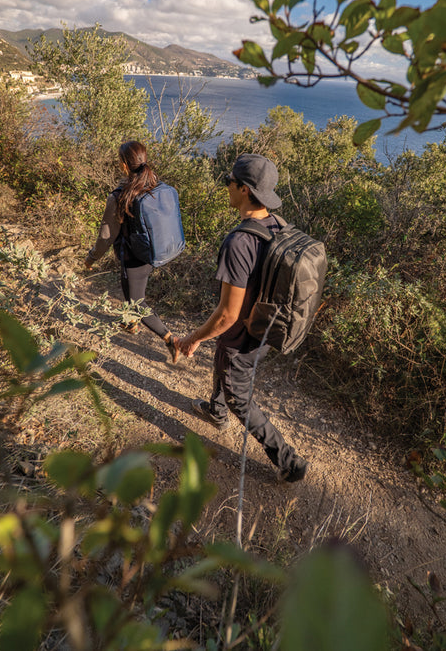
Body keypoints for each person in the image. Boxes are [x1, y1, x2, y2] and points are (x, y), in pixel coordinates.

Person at [176, 153, 308, 483]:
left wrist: (192, 338)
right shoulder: (279, 227)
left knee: (241, 398)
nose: (227, 188)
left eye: (230, 183)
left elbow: (226, 315)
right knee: (224, 357)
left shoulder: (239, 242)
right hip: (266, 331)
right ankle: (215, 410)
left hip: (242, 336)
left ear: (245, 190)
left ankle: (289, 462)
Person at [85, 140, 179, 363]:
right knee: (134, 288)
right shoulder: (155, 184)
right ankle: (131, 323)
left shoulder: (119, 196)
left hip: (133, 258)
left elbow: (106, 236)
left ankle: (170, 339)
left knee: (137, 299)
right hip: (153, 252)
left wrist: (91, 258)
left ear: (124, 166)